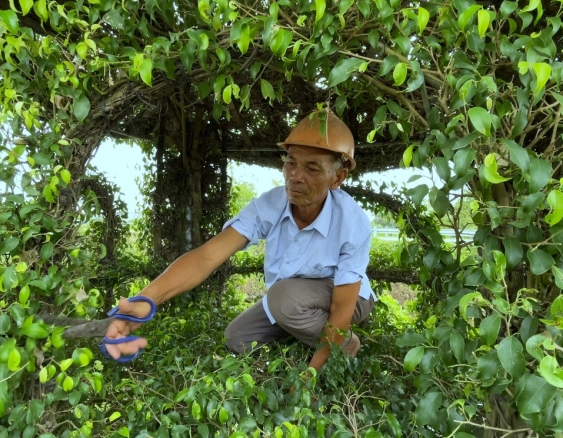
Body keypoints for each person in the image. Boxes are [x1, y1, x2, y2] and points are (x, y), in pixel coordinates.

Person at [102, 109, 376, 371]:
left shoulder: (352, 223)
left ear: (338, 178)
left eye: (312, 168)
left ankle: (345, 344)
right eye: (290, 162)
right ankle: (307, 330)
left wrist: (311, 376)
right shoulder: (270, 204)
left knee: (283, 300)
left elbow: (342, 306)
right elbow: (208, 256)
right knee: (236, 337)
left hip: (346, 297)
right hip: (292, 298)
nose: (295, 176)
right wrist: (146, 299)